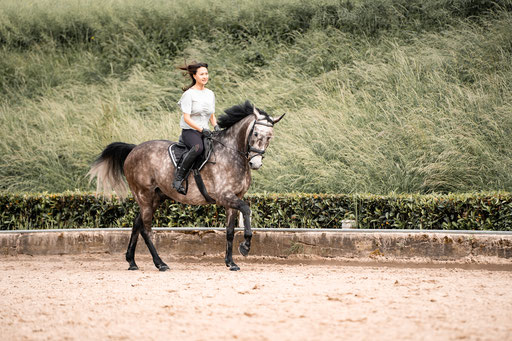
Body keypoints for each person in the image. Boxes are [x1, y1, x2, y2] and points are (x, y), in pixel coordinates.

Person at [173, 62, 220, 194]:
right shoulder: (189, 94)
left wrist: (216, 126)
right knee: (198, 148)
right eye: (201, 74)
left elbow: (211, 115)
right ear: (194, 76)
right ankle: (178, 178)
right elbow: (187, 118)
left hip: (205, 131)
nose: (205, 76)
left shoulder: (210, 93)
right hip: (190, 131)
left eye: (206, 73)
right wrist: (201, 129)